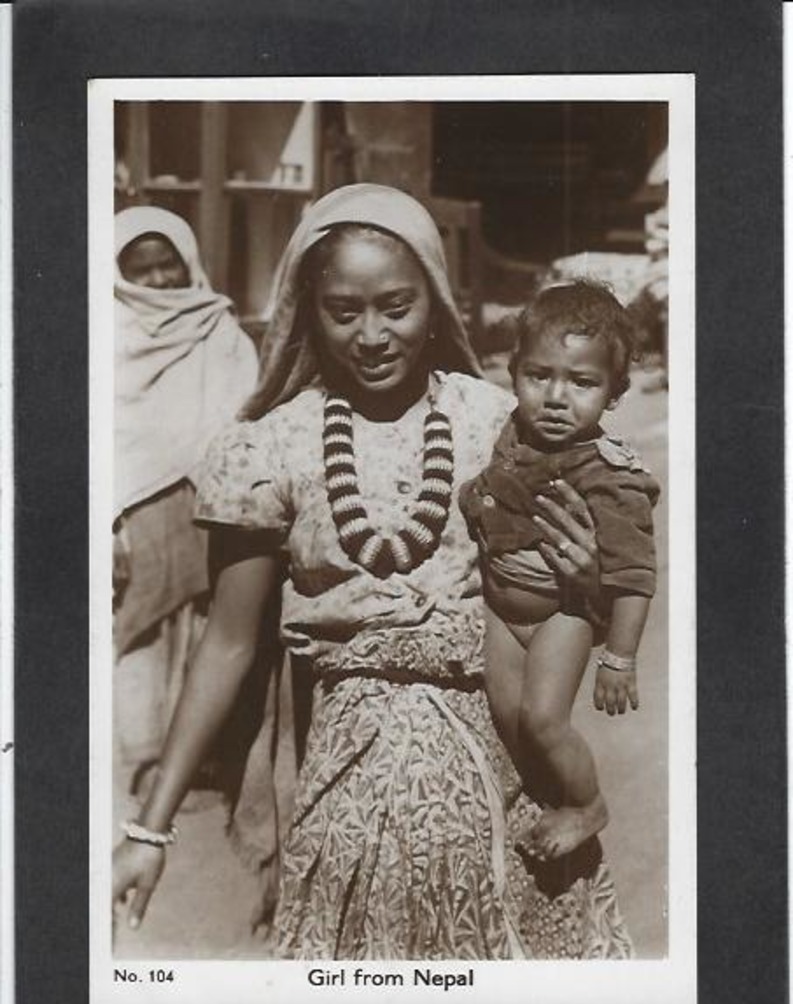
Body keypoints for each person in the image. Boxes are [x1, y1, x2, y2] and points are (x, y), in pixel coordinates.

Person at [113, 184, 633, 960]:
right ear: (306, 308)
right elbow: (226, 645)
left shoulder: (501, 423)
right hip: (351, 775)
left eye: (396, 305)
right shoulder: (269, 448)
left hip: (502, 763)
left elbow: (562, 589)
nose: (372, 335)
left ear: (436, 299)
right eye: (343, 310)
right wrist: (147, 829)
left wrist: (587, 581)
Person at [460, 281, 660, 861]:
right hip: (503, 610)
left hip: (561, 614)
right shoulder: (513, 431)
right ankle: (544, 796)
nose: (554, 397)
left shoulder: (608, 475)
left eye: (582, 382)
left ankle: (588, 803)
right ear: (513, 370)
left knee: (544, 719)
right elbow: (500, 487)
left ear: (614, 392)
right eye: (538, 375)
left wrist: (619, 657)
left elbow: (634, 574)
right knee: (507, 717)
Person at [113, 206, 258, 800]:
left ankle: (198, 753)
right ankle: (148, 757)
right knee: (140, 633)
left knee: (210, 628)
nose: (158, 280)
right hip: (134, 509)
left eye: (167, 264)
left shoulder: (220, 329)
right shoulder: (104, 332)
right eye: (140, 269)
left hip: (211, 497)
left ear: (188, 262)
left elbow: (246, 410)